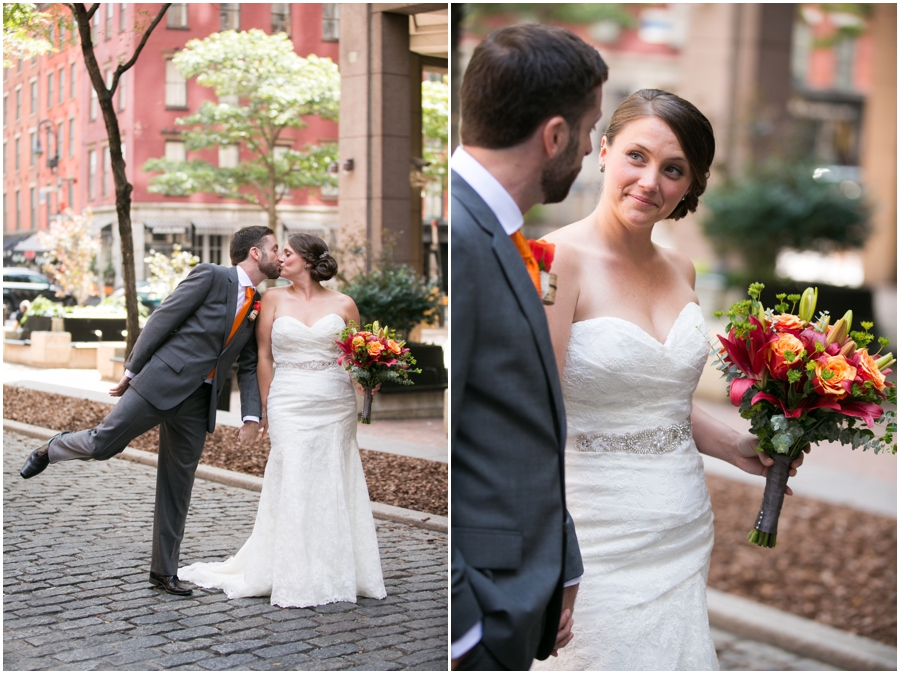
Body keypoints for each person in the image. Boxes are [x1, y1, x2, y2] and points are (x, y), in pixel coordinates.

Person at [530, 89, 807, 671]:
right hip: (595, 535)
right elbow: (534, 423)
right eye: (637, 156)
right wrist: (551, 555)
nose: (650, 181)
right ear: (603, 153)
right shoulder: (554, 261)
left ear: (690, 184)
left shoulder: (682, 268)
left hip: (681, 524)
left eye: (673, 169)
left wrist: (738, 447)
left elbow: (660, 400)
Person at [451, 24, 608, 671]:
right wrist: (461, 632)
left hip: (519, 590)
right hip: (476, 622)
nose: (591, 147)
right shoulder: (462, 236)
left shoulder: (500, 231)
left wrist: (559, 560)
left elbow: (516, 423)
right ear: (554, 136)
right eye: (590, 128)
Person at [19, 225, 281, 597]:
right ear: (255, 253)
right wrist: (131, 370)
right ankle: (53, 447)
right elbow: (163, 317)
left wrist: (251, 416)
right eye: (274, 248)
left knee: (178, 486)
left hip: (199, 402)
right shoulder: (211, 276)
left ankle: (163, 571)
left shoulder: (260, 302)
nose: (279, 255)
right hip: (159, 382)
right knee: (103, 443)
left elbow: (250, 364)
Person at [179, 233, 386, 608]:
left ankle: (335, 568)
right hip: (289, 401)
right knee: (292, 476)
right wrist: (265, 408)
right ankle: (289, 571)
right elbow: (264, 358)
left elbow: (356, 358)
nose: (280, 258)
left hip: (335, 404)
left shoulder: (345, 304)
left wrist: (368, 385)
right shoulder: (271, 299)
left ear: (307, 260)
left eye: (287, 253)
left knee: (333, 479)